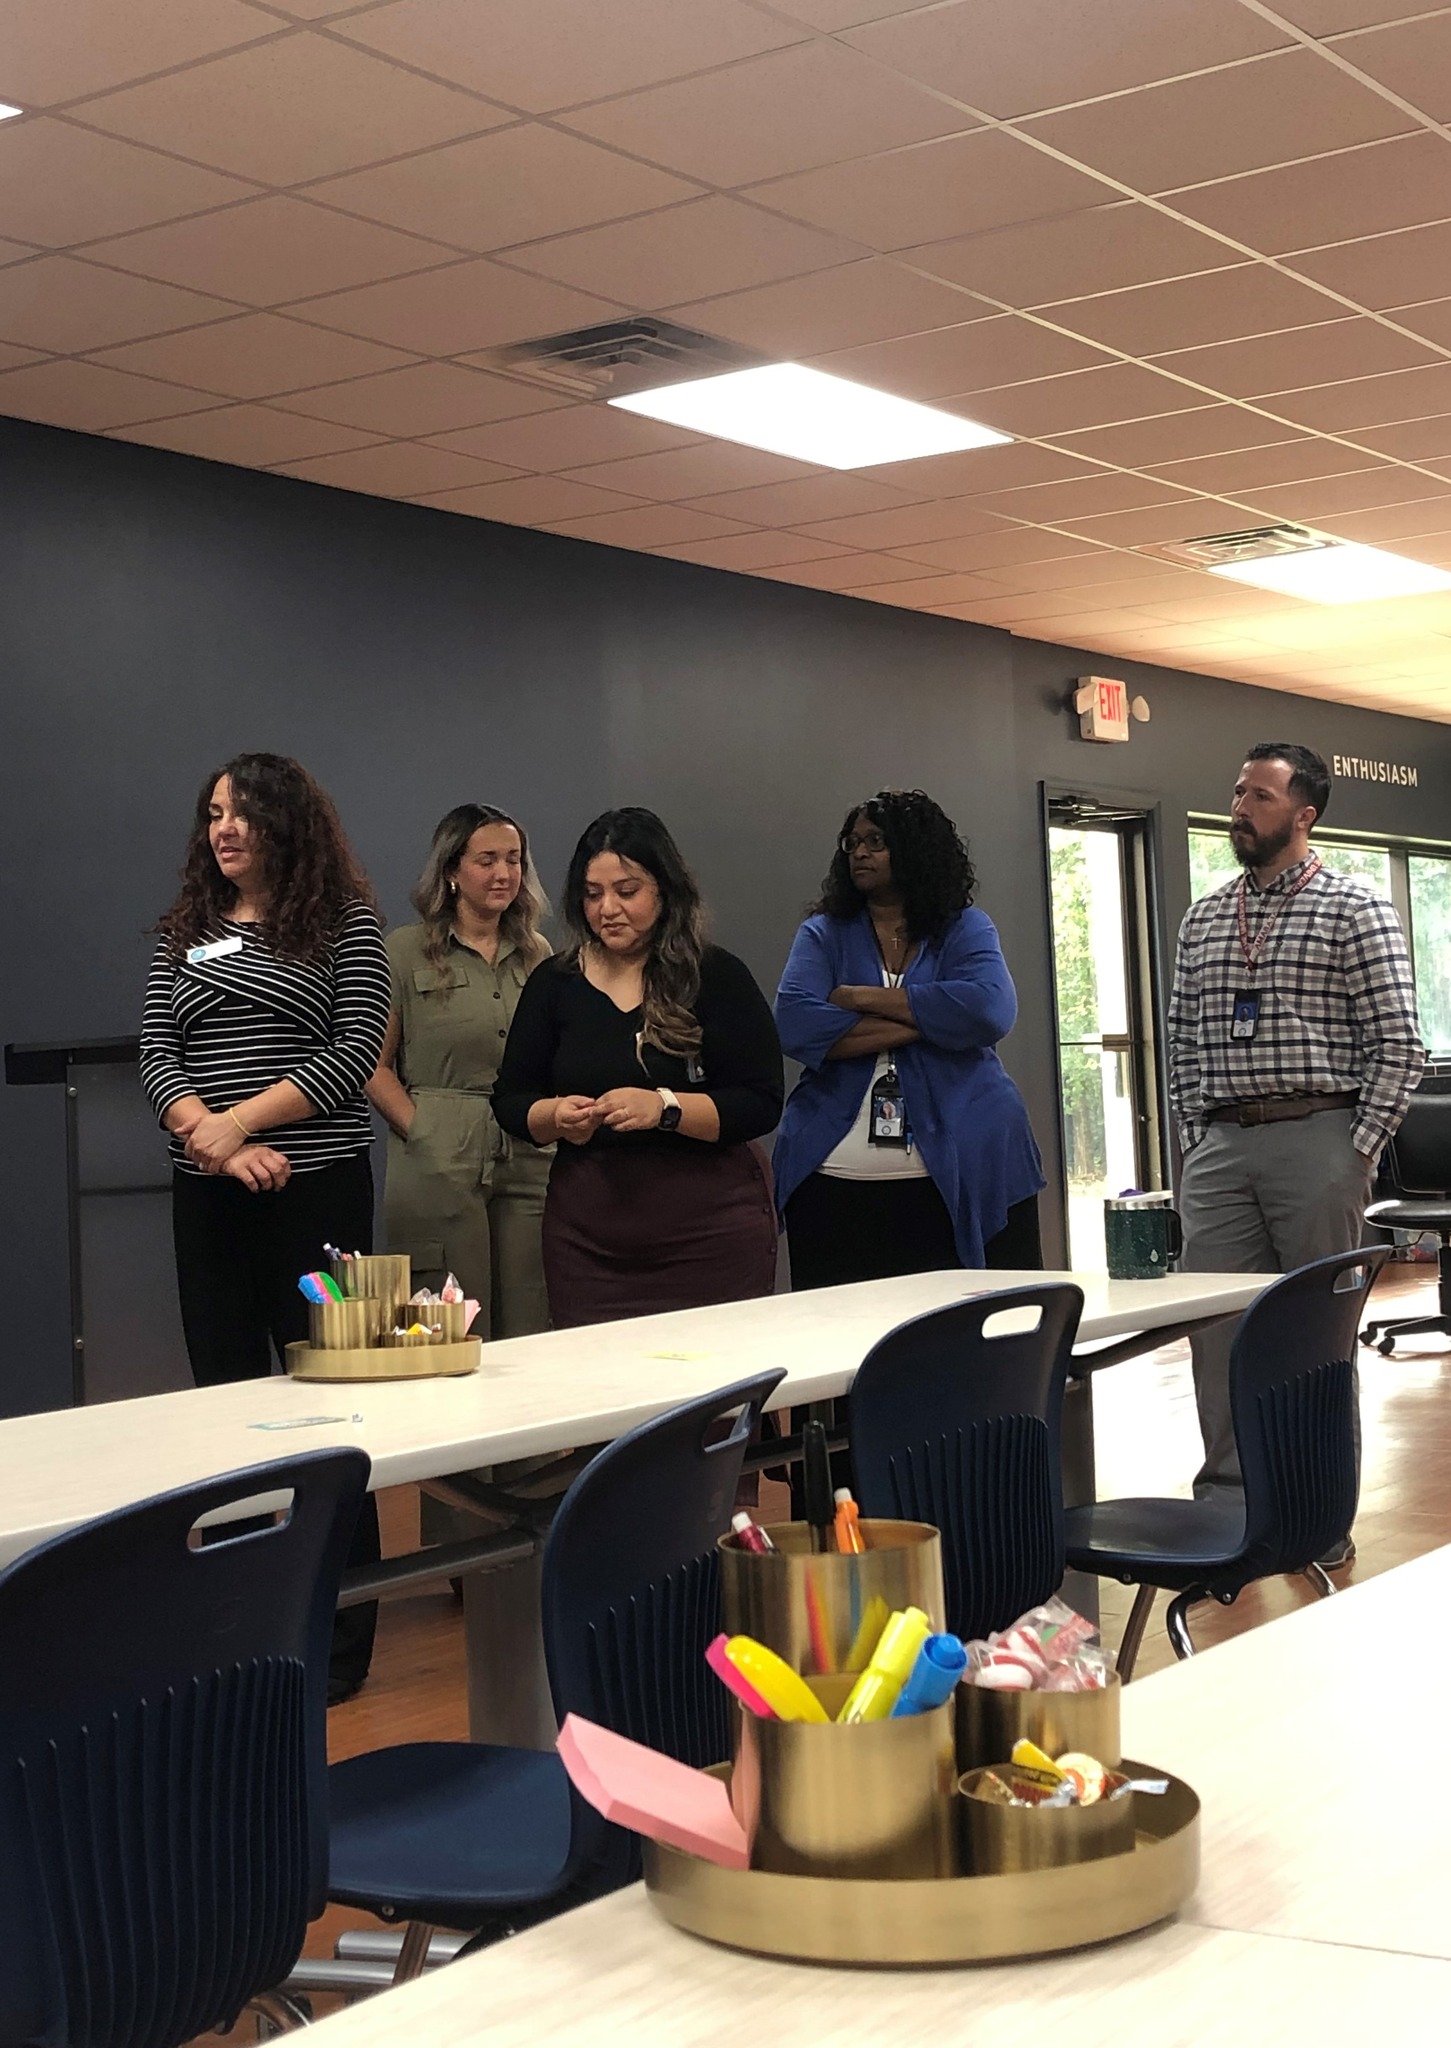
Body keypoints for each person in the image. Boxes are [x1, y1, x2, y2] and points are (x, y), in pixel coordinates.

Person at [139, 750, 390, 1701]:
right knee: (226, 1402)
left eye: (242, 812)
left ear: (288, 823)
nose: (224, 829)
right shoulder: (186, 930)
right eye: (213, 814)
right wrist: (211, 1139)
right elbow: (157, 1049)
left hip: (316, 1194)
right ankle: (243, 1627)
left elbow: (355, 1051)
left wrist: (239, 1122)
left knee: (329, 1405)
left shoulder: (344, 924)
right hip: (209, 1194)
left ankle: (338, 1639)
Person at [1167, 743, 1424, 1553]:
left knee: (1313, 1334)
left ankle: (1315, 1516)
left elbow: (1398, 1044)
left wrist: (1355, 1150)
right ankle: (1229, 1506)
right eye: (1237, 792)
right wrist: (1192, 1138)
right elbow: (1180, 1040)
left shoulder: (1355, 909)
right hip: (1219, 1145)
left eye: (1260, 797)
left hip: (1319, 1137)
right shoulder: (1206, 916)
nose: (1240, 807)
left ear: (1303, 814)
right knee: (1213, 1330)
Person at [493, 808, 782, 1328]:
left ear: (665, 891)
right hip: (589, 1240)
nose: (608, 909)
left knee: (713, 1372)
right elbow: (512, 1099)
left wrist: (665, 1108)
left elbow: (760, 1102)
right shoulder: (554, 983)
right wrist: (555, 1117)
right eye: (592, 894)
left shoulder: (714, 975)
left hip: (708, 1235)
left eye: (627, 892)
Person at [774, 789, 1045, 1286]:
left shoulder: (965, 928)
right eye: (852, 842)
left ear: (915, 849)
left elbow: (990, 1010)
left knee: (973, 1324)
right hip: (834, 1187)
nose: (860, 852)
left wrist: (858, 997)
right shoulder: (823, 933)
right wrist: (935, 1022)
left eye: (876, 841)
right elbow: (794, 1023)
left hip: (972, 1162)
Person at [368, 804, 553, 1339]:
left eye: (513, 860)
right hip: (438, 1152)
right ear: (451, 869)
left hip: (526, 1152)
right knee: (450, 1322)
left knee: (530, 1315)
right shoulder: (404, 950)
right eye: (486, 860)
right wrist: (422, 1130)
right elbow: (373, 1064)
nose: (503, 873)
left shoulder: (537, 952)